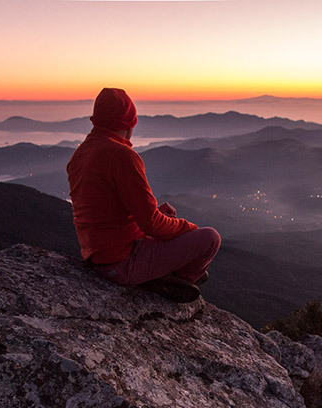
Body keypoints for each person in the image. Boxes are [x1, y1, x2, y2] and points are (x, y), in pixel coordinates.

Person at [67, 88, 220, 303]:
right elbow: (153, 226)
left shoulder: (80, 154)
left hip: (98, 256)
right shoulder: (122, 155)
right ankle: (174, 278)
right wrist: (189, 228)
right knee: (210, 238)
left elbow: (106, 212)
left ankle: (163, 272)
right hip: (121, 263)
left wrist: (156, 212)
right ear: (129, 125)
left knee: (170, 221)